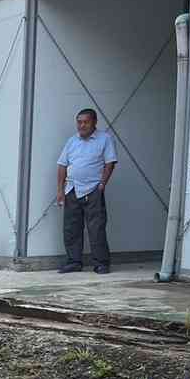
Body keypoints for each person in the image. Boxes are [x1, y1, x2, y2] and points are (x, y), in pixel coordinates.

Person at [55, 108, 117, 273]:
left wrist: (103, 183)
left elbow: (110, 162)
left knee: (96, 228)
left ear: (94, 122)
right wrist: (60, 190)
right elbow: (62, 165)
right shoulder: (72, 141)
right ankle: (74, 262)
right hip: (72, 189)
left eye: (85, 122)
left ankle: (101, 263)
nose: (82, 125)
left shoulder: (105, 139)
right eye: (79, 122)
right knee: (71, 228)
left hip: (93, 189)